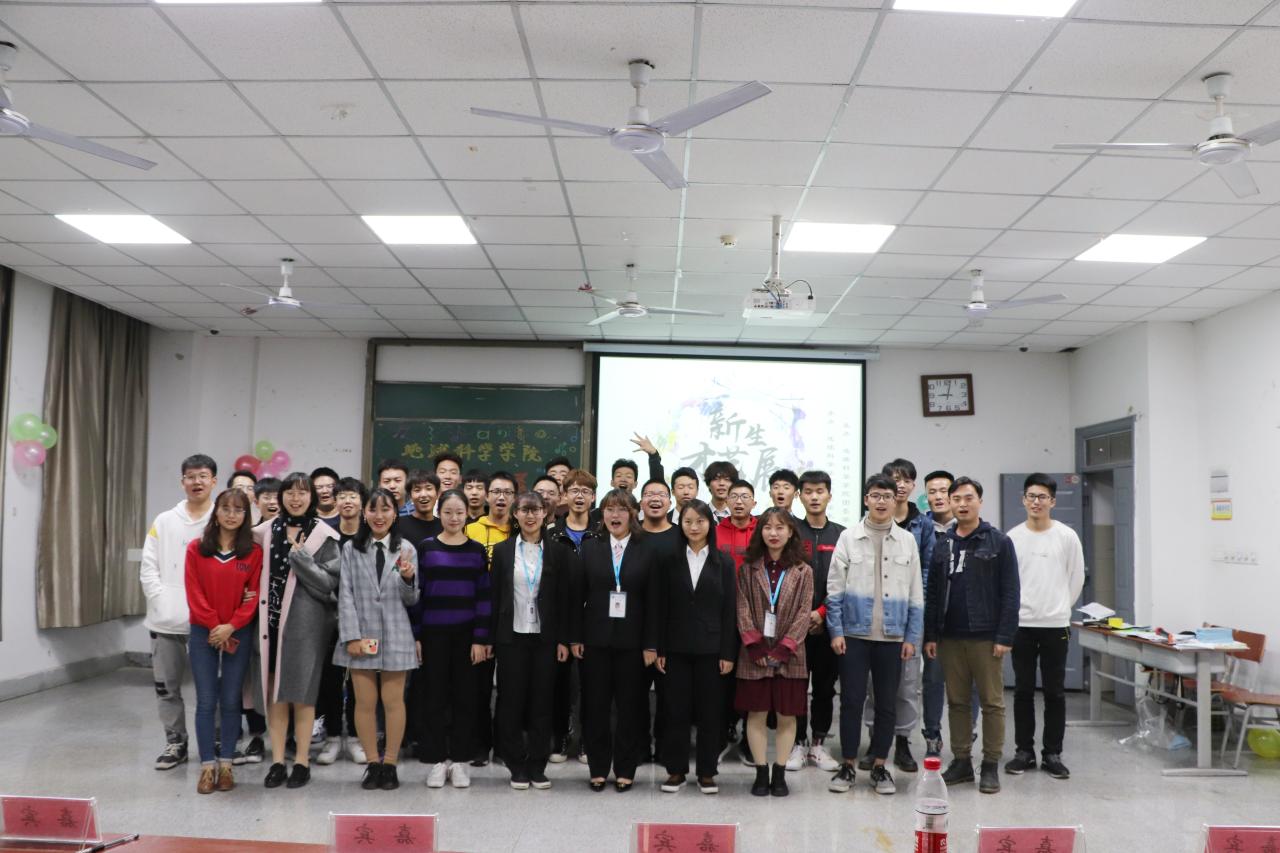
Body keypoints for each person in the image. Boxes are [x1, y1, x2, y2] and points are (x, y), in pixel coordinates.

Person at [826, 474, 924, 797]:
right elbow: (834, 590)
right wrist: (836, 631)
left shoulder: (907, 541)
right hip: (853, 635)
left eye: (887, 496)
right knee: (851, 701)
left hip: (893, 637)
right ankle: (848, 764)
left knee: (887, 704)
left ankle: (881, 765)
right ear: (866, 499)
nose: (881, 501)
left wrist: (911, 637)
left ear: (897, 500)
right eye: (875, 495)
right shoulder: (848, 538)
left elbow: (916, 595)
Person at [923, 476, 1020, 795]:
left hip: (986, 637)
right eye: (957, 499)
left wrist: (1005, 635)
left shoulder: (998, 542)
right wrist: (931, 635)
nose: (962, 504)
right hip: (949, 637)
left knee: (992, 703)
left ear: (980, 501)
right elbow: (934, 592)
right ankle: (962, 760)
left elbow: (1010, 592)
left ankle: (990, 764)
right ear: (950, 503)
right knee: (957, 702)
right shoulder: (943, 543)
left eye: (968, 498)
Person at [253, 471, 342, 790]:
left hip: (307, 626)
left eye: (302, 492)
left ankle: (302, 761)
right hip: (269, 623)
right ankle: (277, 761)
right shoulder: (263, 532)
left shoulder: (324, 535)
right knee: (275, 694)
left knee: (303, 695)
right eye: (289, 492)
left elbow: (328, 583)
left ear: (312, 498)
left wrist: (301, 558)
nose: (295, 498)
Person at [333, 488, 421, 792]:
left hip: (397, 633)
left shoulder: (406, 548)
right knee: (365, 703)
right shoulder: (351, 548)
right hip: (362, 635)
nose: (379, 516)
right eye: (373, 509)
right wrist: (351, 636)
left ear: (395, 514)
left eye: (386, 509)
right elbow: (345, 594)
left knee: (394, 702)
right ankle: (372, 764)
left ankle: (391, 764)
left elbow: (412, 599)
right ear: (364, 513)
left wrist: (408, 579)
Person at [491, 492, 579, 790]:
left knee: (543, 701)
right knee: (511, 701)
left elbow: (566, 599)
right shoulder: (503, 551)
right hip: (511, 636)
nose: (530, 516)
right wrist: (491, 638)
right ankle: (515, 764)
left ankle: (538, 765)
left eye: (536, 510)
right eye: (524, 510)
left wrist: (564, 640)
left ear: (545, 514)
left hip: (546, 638)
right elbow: (495, 596)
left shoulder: (558, 552)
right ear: (515, 514)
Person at [573, 488, 659, 792]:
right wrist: (575, 637)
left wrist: (651, 644)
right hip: (595, 640)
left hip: (634, 643)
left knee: (630, 708)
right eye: (609, 509)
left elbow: (655, 601)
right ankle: (598, 768)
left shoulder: (647, 548)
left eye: (622, 509)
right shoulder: (590, 547)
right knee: (595, 706)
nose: (615, 515)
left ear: (633, 514)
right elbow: (578, 595)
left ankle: (625, 768)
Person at [141, 453, 218, 771]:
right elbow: (148, 566)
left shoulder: (221, 519)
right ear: (182, 481)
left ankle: (215, 741)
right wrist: (160, 599)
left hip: (209, 621)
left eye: (203, 476)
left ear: (214, 481)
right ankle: (176, 742)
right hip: (166, 620)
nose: (196, 482)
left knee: (210, 688)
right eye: (190, 476)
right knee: (166, 687)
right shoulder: (164, 520)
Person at [1005, 473, 1084, 781]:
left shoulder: (1066, 536)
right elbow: (1008, 583)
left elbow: (1076, 577)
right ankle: (1024, 752)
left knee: (1055, 692)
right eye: (1031, 496)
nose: (1036, 502)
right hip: (1022, 624)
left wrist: (1061, 607)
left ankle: (1052, 754)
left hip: (1055, 625)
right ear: (1023, 500)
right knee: (1023, 691)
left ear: (1052, 501)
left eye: (1042, 497)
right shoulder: (1013, 537)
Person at [411, 489, 491, 789]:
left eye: (459, 512)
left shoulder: (476, 550)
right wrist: (417, 635)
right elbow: (417, 594)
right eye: (448, 512)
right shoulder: (426, 547)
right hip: (433, 635)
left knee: (465, 699)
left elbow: (484, 596)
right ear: (439, 513)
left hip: (467, 636)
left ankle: (460, 760)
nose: (454, 518)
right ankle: (435, 760)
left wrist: (480, 638)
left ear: (467, 514)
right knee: (433, 698)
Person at [655, 500, 736, 795]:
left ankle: (707, 772)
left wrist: (728, 652)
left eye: (700, 521)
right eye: (688, 521)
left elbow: (729, 610)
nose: (694, 527)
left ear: (709, 524)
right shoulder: (669, 560)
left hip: (712, 650)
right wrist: (660, 648)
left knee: (710, 713)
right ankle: (675, 771)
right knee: (675, 711)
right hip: (675, 648)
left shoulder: (723, 561)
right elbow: (660, 607)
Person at [185, 488, 262, 793]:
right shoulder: (197, 549)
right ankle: (207, 766)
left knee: (231, 700)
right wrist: (215, 626)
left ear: (246, 516)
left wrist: (231, 626)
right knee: (206, 700)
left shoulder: (253, 552)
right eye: (226, 508)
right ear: (216, 512)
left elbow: (253, 598)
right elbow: (194, 592)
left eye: (238, 510)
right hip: (203, 631)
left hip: (237, 632)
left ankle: (227, 764)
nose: (231, 515)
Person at [735, 508, 814, 798]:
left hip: (790, 654)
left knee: (786, 715)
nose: (774, 533)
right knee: (755, 714)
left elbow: (804, 612)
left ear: (791, 532)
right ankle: (760, 772)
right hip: (754, 654)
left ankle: (779, 773)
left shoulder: (804, 571)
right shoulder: (748, 568)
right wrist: (754, 646)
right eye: (768, 527)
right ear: (761, 532)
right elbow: (742, 607)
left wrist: (784, 648)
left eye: (780, 527)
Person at [860, 458, 931, 774]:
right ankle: (875, 743)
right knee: (873, 686)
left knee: (907, 684)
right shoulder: (866, 524)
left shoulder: (922, 526)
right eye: (893, 479)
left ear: (912, 486)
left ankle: (902, 743)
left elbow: (926, 573)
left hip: (907, 615)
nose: (899, 485)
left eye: (905, 480)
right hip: (874, 617)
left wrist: (914, 610)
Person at [788, 470, 845, 773]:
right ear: (800, 496)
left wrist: (822, 613)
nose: (814, 497)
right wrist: (803, 616)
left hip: (829, 625)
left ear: (829, 495)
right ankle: (798, 743)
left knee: (825, 687)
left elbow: (845, 581)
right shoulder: (791, 532)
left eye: (820, 491)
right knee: (796, 686)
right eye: (808, 491)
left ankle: (818, 744)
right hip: (794, 626)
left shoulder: (842, 535)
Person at [547, 469, 601, 764]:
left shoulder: (603, 533)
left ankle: (587, 740)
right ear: (564, 495)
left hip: (594, 621)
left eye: (586, 491)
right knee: (559, 684)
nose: (579, 496)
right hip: (559, 619)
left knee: (592, 684)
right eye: (574, 491)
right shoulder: (551, 534)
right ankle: (560, 736)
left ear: (593, 497)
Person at [466, 470, 515, 766]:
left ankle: (506, 748)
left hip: (512, 618)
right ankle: (479, 746)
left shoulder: (521, 530)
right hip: (480, 617)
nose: (501, 497)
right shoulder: (471, 529)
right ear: (486, 496)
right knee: (478, 687)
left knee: (509, 688)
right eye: (496, 491)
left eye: (507, 492)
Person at [316, 476, 365, 766]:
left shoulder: (370, 535)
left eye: (353, 496)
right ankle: (333, 737)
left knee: (360, 679)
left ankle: (357, 737)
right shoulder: (326, 535)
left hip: (363, 619)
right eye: (342, 496)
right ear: (335, 501)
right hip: (329, 617)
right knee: (330, 679)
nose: (347, 501)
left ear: (362, 502)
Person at [920, 469, 955, 758]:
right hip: (930, 618)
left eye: (944, 491)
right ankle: (932, 734)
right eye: (932, 492)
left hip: (964, 620)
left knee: (967, 684)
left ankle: (966, 734)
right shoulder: (921, 528)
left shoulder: (968, 528)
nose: (938, 496)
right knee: (932, 679)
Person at [716, 480, 758, 571]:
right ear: (726, 502)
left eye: (745, 497)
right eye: (734, 496)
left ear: (753, 504)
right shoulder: (714, 532)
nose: (739, 501)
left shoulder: (761, 532)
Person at [398, 470, 443, 547]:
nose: (423, 495)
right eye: (417, 490)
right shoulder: (398, 525)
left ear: (438, 494)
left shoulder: (444, 527)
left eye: (428, 488)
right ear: (410, 496)